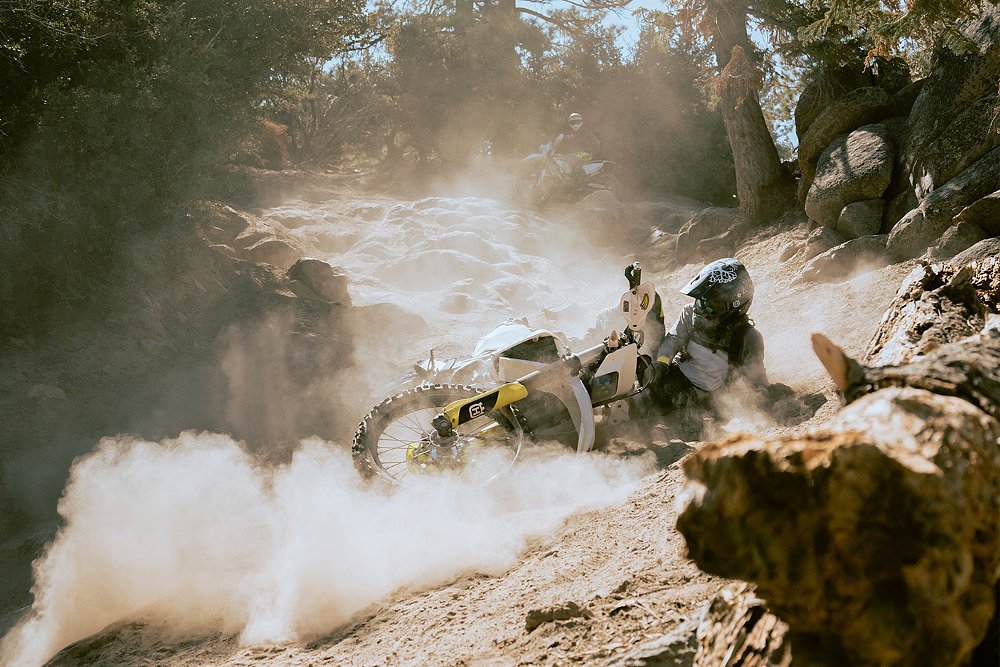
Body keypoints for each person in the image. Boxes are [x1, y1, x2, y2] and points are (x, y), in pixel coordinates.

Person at [637, 257, 770, 417]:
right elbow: (673, 339)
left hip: (691, 395)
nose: (702, 310)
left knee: (641, 399)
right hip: (667, 371)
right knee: (651, 298)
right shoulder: (690, 312)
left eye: (712, 306)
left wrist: (771, 398)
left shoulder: (748, 338)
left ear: (735, 306)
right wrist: (661, 363)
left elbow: (757, 385)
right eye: (701, 302)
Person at [550, 112, 600, 186]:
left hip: (589, 153)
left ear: (581, 122)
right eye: (573, 123)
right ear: (569, 124)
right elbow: (567, 144)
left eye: (577, 122)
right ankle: (570, 180)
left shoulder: (584, 131)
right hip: (581, 153)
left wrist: (564, 137)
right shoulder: (572, 133)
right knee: (564, 158)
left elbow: (576, 138)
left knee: (571, 158)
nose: (575, 125)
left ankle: (581, 181)